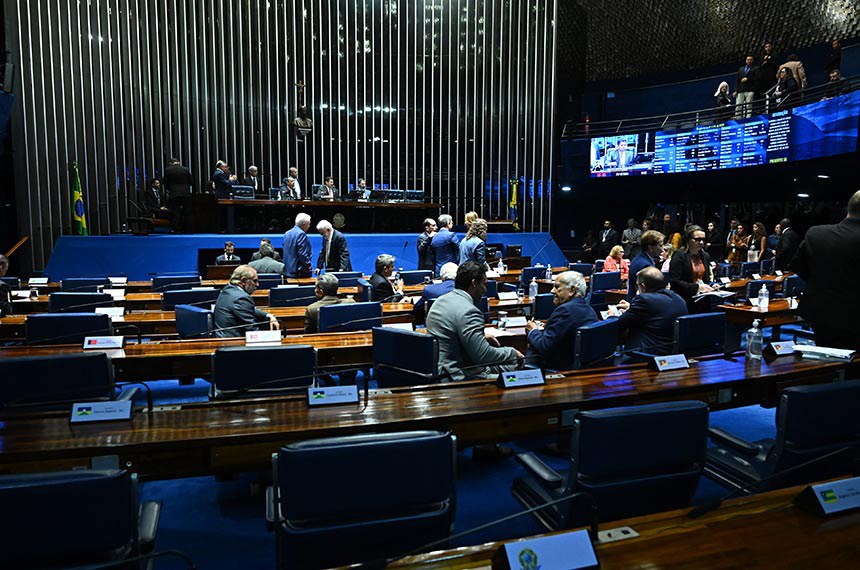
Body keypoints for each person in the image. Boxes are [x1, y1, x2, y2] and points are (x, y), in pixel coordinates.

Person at [426, 262, 522, 381]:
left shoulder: (440, 301)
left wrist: (481, 335)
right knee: (519, 378)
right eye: (484, 284)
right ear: (474, 283)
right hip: (459, 376)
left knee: (512, 367)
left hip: (440, 371)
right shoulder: (469, 311)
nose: (485, 290)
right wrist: (512, 353)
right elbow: (483, 356)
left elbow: (452, 332)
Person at [791, 190, 860, 349]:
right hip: (855, 319)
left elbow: (798, 267)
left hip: (821, 315)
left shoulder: (816, 234)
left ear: (848, 208)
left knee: (828, 362)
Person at [525, 271, 597, 370]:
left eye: (557, 287)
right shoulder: (589, 309)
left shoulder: (565, 311)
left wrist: (533, 331)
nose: (552, 291)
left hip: (554, 369)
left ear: (572, 290)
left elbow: (544, 347)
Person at [616, 266, 688, 355]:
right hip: (673, 355)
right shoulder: (678, 298)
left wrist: (611, 315)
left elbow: (620, 324)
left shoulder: (643, 300)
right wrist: (631, 307)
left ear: (643, 286)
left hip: (645, 356)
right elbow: (657, 311)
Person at [213, 265, 279, 337]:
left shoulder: (228, 290)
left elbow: (249, 308)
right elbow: (252, 330)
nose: (257, 285)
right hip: (233, 342)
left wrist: (268, 315)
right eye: (255, 281)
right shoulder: (241, 298)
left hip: (223, 337)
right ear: (244, 281)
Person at [669, 225, 715, 313]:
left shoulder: (705, 256)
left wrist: (711, 285)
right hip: (684, 300)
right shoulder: (679, 255)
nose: (701, 242)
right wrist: (697, 287)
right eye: (697, 239)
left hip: (702, 300)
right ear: (688, 239)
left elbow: (704, 278)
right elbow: (674, 281)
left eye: (703, 239)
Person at [627, 230, 664, 299]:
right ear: (650, 247)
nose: (662, 249)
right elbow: (648, 293)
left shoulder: (639, 258)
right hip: (640, 303)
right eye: (660, 246)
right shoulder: (645, 265)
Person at [162, 157, 193, 232]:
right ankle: (189, 229)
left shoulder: (168, 170)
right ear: (178, 162)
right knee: (187, 211)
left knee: (176, 212)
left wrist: (169, 188)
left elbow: (165, 182)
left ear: (171, 163)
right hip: (185, 192)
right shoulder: (185, 169)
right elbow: (190, 181)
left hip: (174, 193)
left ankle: (176, 228)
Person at [282, 213, 313, 278]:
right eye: (308, 224)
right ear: (303, 224)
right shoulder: (301, 234)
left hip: (287, 270)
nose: (309, 226)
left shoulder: (287, 233)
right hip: (299, 272)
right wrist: (308, 265)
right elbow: (302, 254)